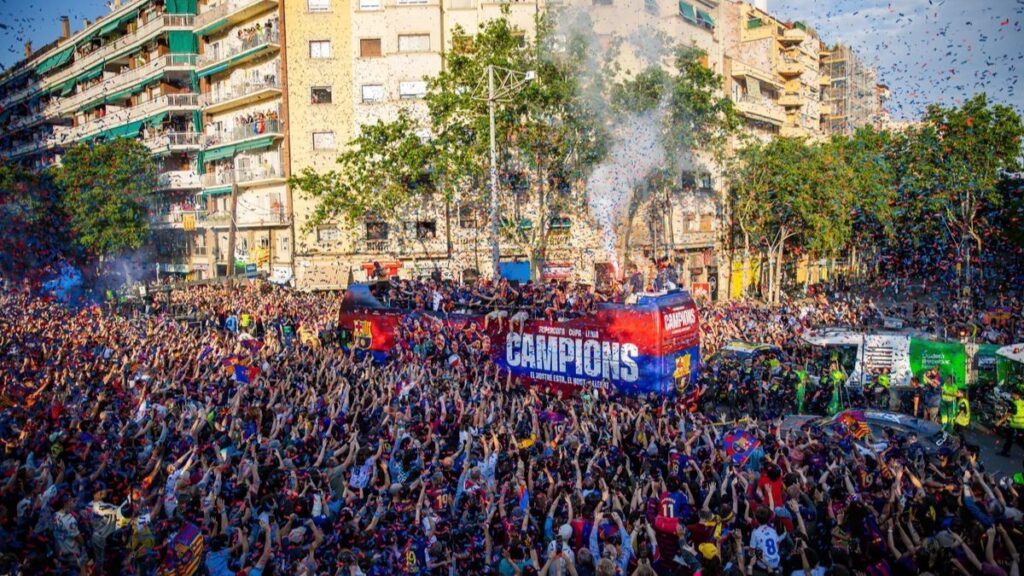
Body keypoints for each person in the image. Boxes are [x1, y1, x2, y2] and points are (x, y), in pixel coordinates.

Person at [998, 388, 1024, 457]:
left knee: (1009, 439)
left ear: (1016, 395)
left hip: (1014, 424)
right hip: (1022, 425)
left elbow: (1009, 414)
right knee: (1020, 441)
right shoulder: (1022, 402)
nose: (1011, 395)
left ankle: (1005, 452)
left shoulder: (1013, 403)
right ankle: (1005, 452)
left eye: (1012, 394)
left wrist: (1000, 421)